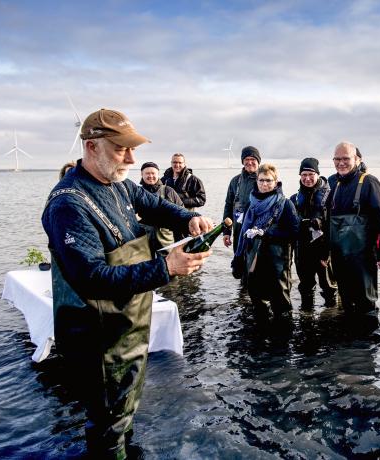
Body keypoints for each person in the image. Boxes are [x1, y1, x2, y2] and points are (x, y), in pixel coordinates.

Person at [41, 108, 213, 458]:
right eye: (122, 149)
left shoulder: (118, 183)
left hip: (127, 328)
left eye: (132, 149)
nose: (132, 159)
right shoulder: (68, 206)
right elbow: (91, 279)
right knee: (106, 425)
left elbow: (152, 204)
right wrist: (167, 268)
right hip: (98, 340)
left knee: (123, 414)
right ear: (91, 147)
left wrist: (189, 218)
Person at [323, 142, 380, 318]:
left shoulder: (369, 182)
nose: (341, 163)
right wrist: (325, 252)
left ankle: (367, 343)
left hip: (362, 258)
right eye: (337, 159)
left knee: (365, 305)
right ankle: (348, 342)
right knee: (346, 301)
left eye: (346, 158)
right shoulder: (334, 183)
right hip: (339, 258)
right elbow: (328, 222)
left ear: (357, 159)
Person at [234, 163, 298, 315]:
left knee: (280, 304)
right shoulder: (251, 203)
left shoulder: (285, 204)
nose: (264, 184)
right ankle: (260, 332)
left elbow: (295, 232)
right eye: (261, 180)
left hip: (278, 261)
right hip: (254, 258)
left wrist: (267, 234)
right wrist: (238, 258)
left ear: (276, 182)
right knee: (257, 298)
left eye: (268, 180)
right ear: (257, 181)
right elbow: (243, 231)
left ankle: (283, 334)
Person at [289, 157, 337, 309]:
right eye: (304, 175)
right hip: (302, 251)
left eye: (311, 174)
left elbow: (334, 227)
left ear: (317, 174)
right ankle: (306, 318)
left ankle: (331, 317)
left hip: (323, 251)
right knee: (305, 287)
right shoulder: (294, 199)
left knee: (329, 288)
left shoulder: (330, 197)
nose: (307, 178)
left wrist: (327, 253)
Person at [223, 146, 261, 252]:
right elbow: (228, 206)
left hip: (258, 233)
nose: (249, 162)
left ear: (258, 161)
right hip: (238, 231)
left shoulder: (265, 180)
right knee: (238, 263)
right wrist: (226, 232)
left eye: (253, 159)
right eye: (246, 159)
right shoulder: (235, 181)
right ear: (242, 161)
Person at [139, 161, 185, 247]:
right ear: (142, 174)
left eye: (153, 173)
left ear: (158, 174)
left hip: (166, 242)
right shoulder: (137, 193)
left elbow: (182, 214)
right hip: (144, 244)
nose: (150, 176)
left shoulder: (168, 191)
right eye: (147, 173)